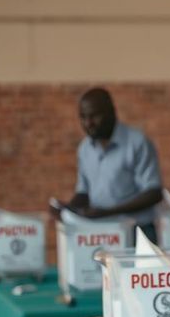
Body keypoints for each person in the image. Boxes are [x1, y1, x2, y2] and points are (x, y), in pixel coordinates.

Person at [58, 87, 163, 241]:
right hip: (101, 233)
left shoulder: (137, 143)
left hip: (138, 232)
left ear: (112, 112)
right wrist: (68, 209)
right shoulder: (85, 149)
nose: (88, 123)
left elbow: (153, 193)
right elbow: (84, 191)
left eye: (94, 116)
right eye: (83, 117)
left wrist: (108, 212)